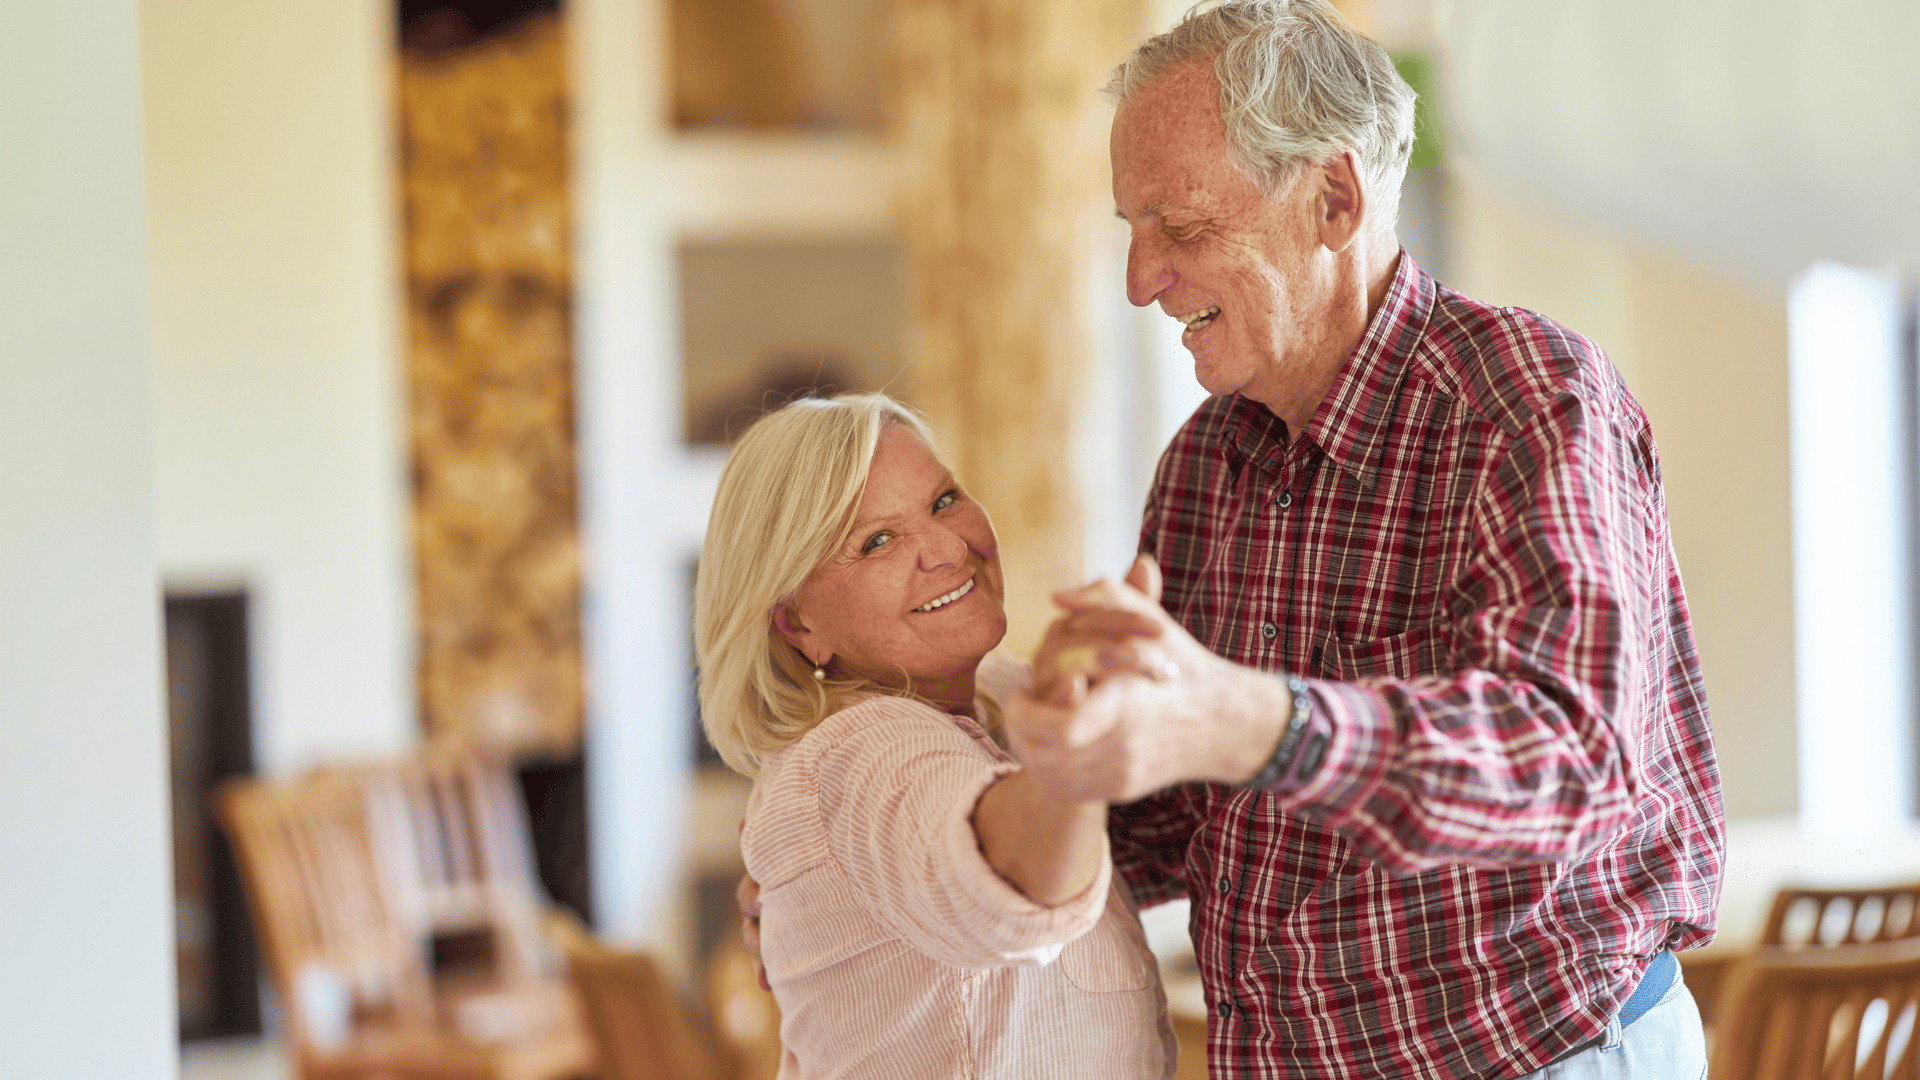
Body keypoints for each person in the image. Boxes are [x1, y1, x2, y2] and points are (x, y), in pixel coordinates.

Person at [1001, 2, 1727, 1078]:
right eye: (1131, 229)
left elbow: (1569, 760)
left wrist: (1251, 720)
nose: (1139, 279)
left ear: (1333, 200)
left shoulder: (1525, 399)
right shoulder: (1206, 466)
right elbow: (1161, 827)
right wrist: (900, 863)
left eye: (1182, 228)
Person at [695, 393, 1176, 1080]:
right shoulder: (855, 749)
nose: (948, 549)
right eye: (876, 542)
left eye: (945, 500)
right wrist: (1078, 727)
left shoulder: (998, 702)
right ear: (799, 627)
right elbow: (1000, 882)